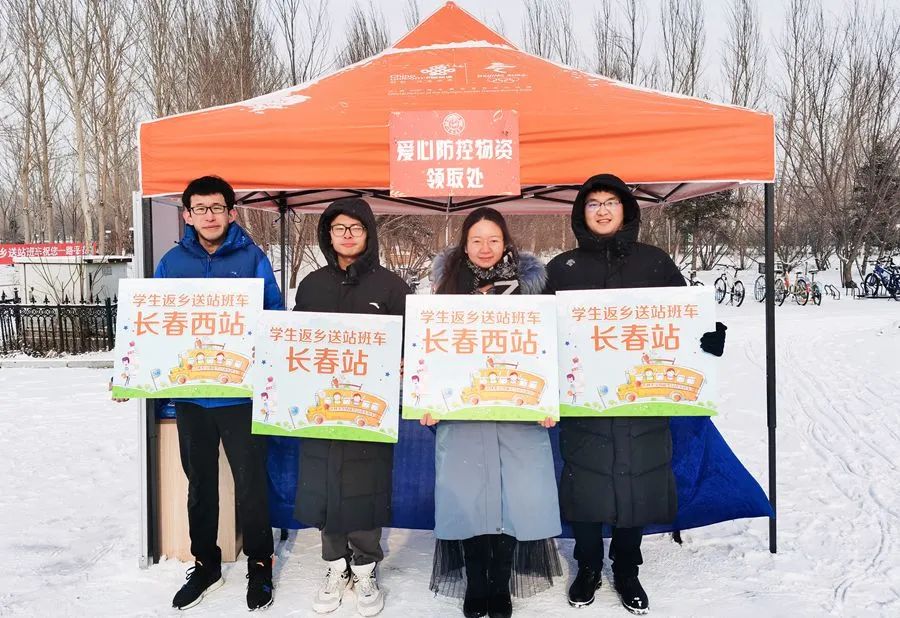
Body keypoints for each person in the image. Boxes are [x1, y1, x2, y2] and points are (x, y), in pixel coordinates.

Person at [544, 174, 726, 615]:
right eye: (593, 203)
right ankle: (588, 565)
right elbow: (539, 334)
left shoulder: (655, 262)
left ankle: (626, 568)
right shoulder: (562, 268)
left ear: (626, 209)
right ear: (581, 213)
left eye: (611, 202)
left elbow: (686, 319)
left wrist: (709, 337)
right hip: (584, 402)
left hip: (643, 397)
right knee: (586, 485)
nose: (602, 210)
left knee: (638, 483)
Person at [423, 207, 562, 618]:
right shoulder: (445, 289)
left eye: (493, 240)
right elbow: (428, 351)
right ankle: (476, 582)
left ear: (506, 243)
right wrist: (425, 396)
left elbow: (552, 347)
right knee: (468, 498)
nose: (485, 248)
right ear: (464, 245)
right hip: (462, 411)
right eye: (476, 240)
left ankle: (499, 584)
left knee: (513, 499)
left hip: (518, 410)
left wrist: (549, 399)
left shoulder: (532, 290)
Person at [154, 175, 283, 611]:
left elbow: (274, 315)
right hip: (192, 396)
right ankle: (206, 563)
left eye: (217, 208)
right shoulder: (172, 262)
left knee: (251, 483)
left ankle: (260, 563)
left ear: (231, 212)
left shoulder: (252, 258)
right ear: (187, 215)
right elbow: (152, 323)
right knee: (200, 484)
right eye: (200, 208)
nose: (209, 216)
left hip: (240, 395)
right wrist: (132, 374)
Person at [293, 197, 410, 617]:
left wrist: (404, 359)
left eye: (355, 228)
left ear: (368, 233)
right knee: (325, 484)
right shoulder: (311, 284)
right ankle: (334, 564)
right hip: (322, 406)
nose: (347, 235)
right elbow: (294, 339)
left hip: (367, 409)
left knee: (365, 484)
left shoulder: (392, 286)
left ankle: (364, 567)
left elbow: (412, 341)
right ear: (328, 234)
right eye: (338, 228)